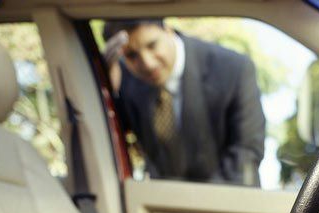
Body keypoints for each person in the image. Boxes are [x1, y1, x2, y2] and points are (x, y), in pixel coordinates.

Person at [103, 19, 266, 186]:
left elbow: (246, 153)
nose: (147, 63)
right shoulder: (124, 78)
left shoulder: (233, 69)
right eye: (132, 55)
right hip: (158, 204)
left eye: (152, 45)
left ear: (168, 30)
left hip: (227, 202)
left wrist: (195, 203)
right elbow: (112, 137)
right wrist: (108, 88)